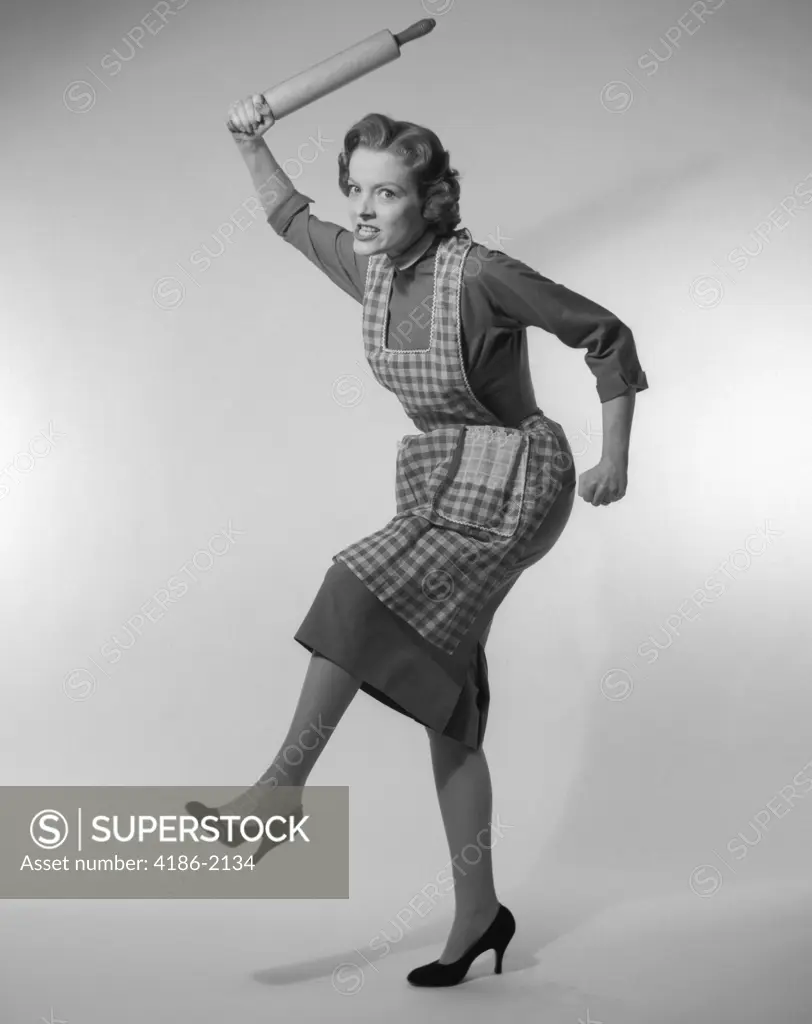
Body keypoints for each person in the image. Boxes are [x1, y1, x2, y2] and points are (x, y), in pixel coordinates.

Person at [187, 93, 648, 988]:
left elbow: (604, 334)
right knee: (449, 707)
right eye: (356, 189)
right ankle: (480, 914)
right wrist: (250, 141)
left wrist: (612, 458)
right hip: (442, 478)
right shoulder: (366, 266)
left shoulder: (479, 275)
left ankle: (278, 795)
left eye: (387, 194)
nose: (362, 210)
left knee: (355, 585)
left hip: (516, 480)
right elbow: (289, 217)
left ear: (428, 202)